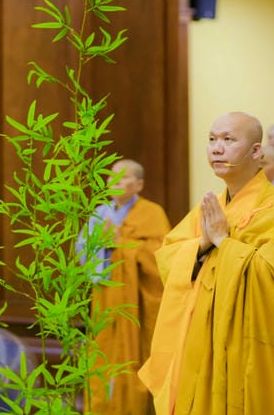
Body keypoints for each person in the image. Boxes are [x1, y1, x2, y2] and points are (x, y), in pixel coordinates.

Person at [139, 112, 274, 414]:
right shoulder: (210, 206)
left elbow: (273, 280)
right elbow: (168, 256)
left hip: (247, 344)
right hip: (202, 340)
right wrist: (204, 243)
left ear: (256, 151)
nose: (217, 148)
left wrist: (222, 242)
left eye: (228, 140)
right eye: (212, 139)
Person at [79, 159, 172, 415]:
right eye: (111, 177)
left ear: (139, 185)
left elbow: (162, 257)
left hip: (137, 303)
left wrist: (122, 244)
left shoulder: (152, 214)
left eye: (123, 177)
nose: (114, 182)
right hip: (106, 297)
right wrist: (101, 245)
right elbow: (83, 254)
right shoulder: (100, 214)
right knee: (103, 355)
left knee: (136, 356)